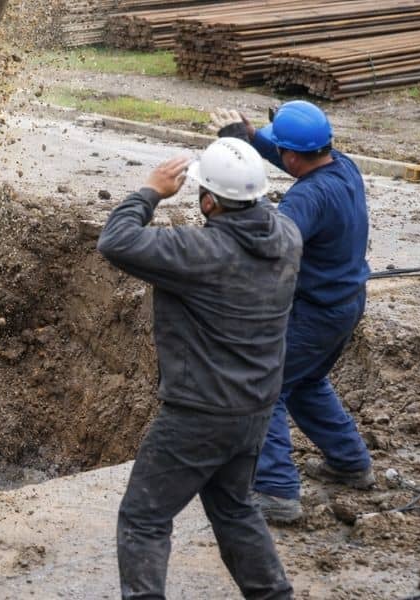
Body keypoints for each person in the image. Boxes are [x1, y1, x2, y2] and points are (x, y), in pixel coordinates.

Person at [98, 137, 301, 600]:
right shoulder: (288, 236)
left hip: (199, 414)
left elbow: (116, 240)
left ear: (208, 201)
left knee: (144, 518)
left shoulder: (200, 253)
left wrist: (150, 191)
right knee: (235, 508)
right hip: (255, 409)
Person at [210, 102, 374, 523]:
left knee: (263, 388)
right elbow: (290, 154)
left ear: (293, 157)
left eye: (280, 148)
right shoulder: (344, 167)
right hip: (346, 304)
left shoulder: (307, 197)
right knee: (305, 382)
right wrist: (251, 138)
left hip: (315, 313)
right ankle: (350, 463)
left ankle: (277, 491)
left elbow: (272, 241)